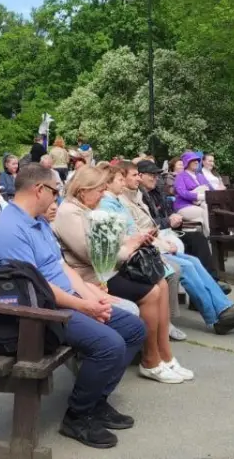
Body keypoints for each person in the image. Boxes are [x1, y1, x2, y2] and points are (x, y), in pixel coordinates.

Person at [0, 163, 144, 449]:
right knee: (109, 345)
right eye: (55, 191)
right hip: (34, 314)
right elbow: (35, 288)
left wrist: (90, 295)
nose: (56, 198)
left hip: (58, 302)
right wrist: (84, 308)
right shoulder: (9, 230)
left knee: (133, 328)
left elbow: (62, 267)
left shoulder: (37, 221)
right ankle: (78, 416)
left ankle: (96, 402)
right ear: (39, 190)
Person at [54, 164, 191, 385]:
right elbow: (92, 254)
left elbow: (107, 246)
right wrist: (130, 247)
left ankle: (165, 354)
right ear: (83, 190)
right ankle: (151, 360)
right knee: (151, 293)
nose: (102, 194)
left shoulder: (86, 209)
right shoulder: (69, 212)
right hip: (91, 278)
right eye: (99, 189)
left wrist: (132, 241)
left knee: (160, 283)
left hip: (105, 272)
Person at [117, 162, 234, 335]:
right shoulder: (122, 201)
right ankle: (216, 317)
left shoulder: (138, 196)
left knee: (193, 258)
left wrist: (166, 230)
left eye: (139, 175)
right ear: (120, 179)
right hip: (146, 249)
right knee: (186, 265)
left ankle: (223, 306)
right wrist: (164, 237)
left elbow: (154, 221)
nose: (139, 178)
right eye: (135, 175)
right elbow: (138, 232)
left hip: (158, 239)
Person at [134, 160, 227, 289]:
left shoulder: (157, 192)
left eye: (156, 175)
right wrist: (168, 221)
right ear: (140, 176)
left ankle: (212, 281)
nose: (155, 178)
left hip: (168, 231)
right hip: (155, 236)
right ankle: (207, 288)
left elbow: (168, 212)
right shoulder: (137, 195)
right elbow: (147, 223)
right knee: (189, 247)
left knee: (198, 238)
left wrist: (174, 218)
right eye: (151, 175)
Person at [172, 151, 212, 235]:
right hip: (184, 206)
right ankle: (211, 237)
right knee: (206, 212)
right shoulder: (181, 176)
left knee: (209, 209)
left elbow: (211, 189)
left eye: (197, 160)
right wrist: (199, 196)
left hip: (202, 204)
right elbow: (182, 192)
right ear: (187, 162)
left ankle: (212, 237)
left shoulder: (200, 176)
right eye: (193, 160)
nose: (197, 162)